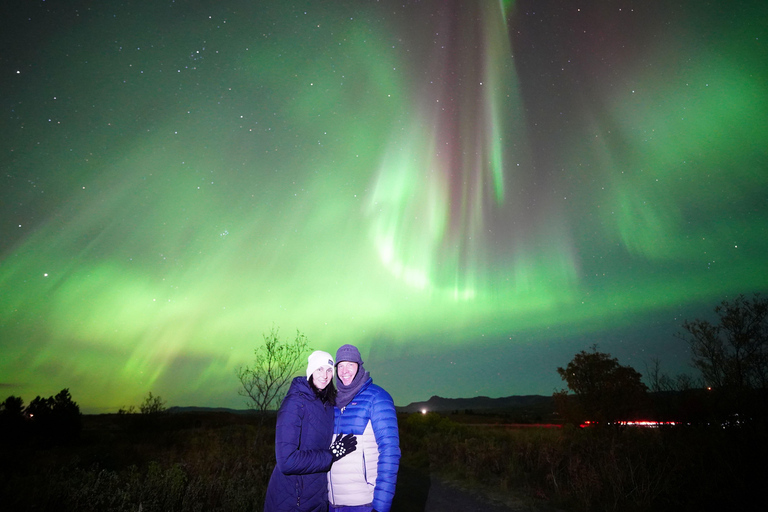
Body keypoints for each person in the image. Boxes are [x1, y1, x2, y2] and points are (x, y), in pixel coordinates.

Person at [264, 350, 358, 512]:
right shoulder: (295, 403)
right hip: (292, 500)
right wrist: (331, 455)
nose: (325, 375)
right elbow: (286, 461)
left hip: (317, 497)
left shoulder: (327, 404)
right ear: (310, 371)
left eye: (329, 370)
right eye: (319, 369)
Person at [328, 344, 400, 512]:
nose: (345, 371)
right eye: (341, 365)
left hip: (364, 504)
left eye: (350, 365)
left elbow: (390, 452)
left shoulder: (377, 398)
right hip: (332, 504)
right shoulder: (331, 402)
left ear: (359, 367)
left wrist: (381, 507)